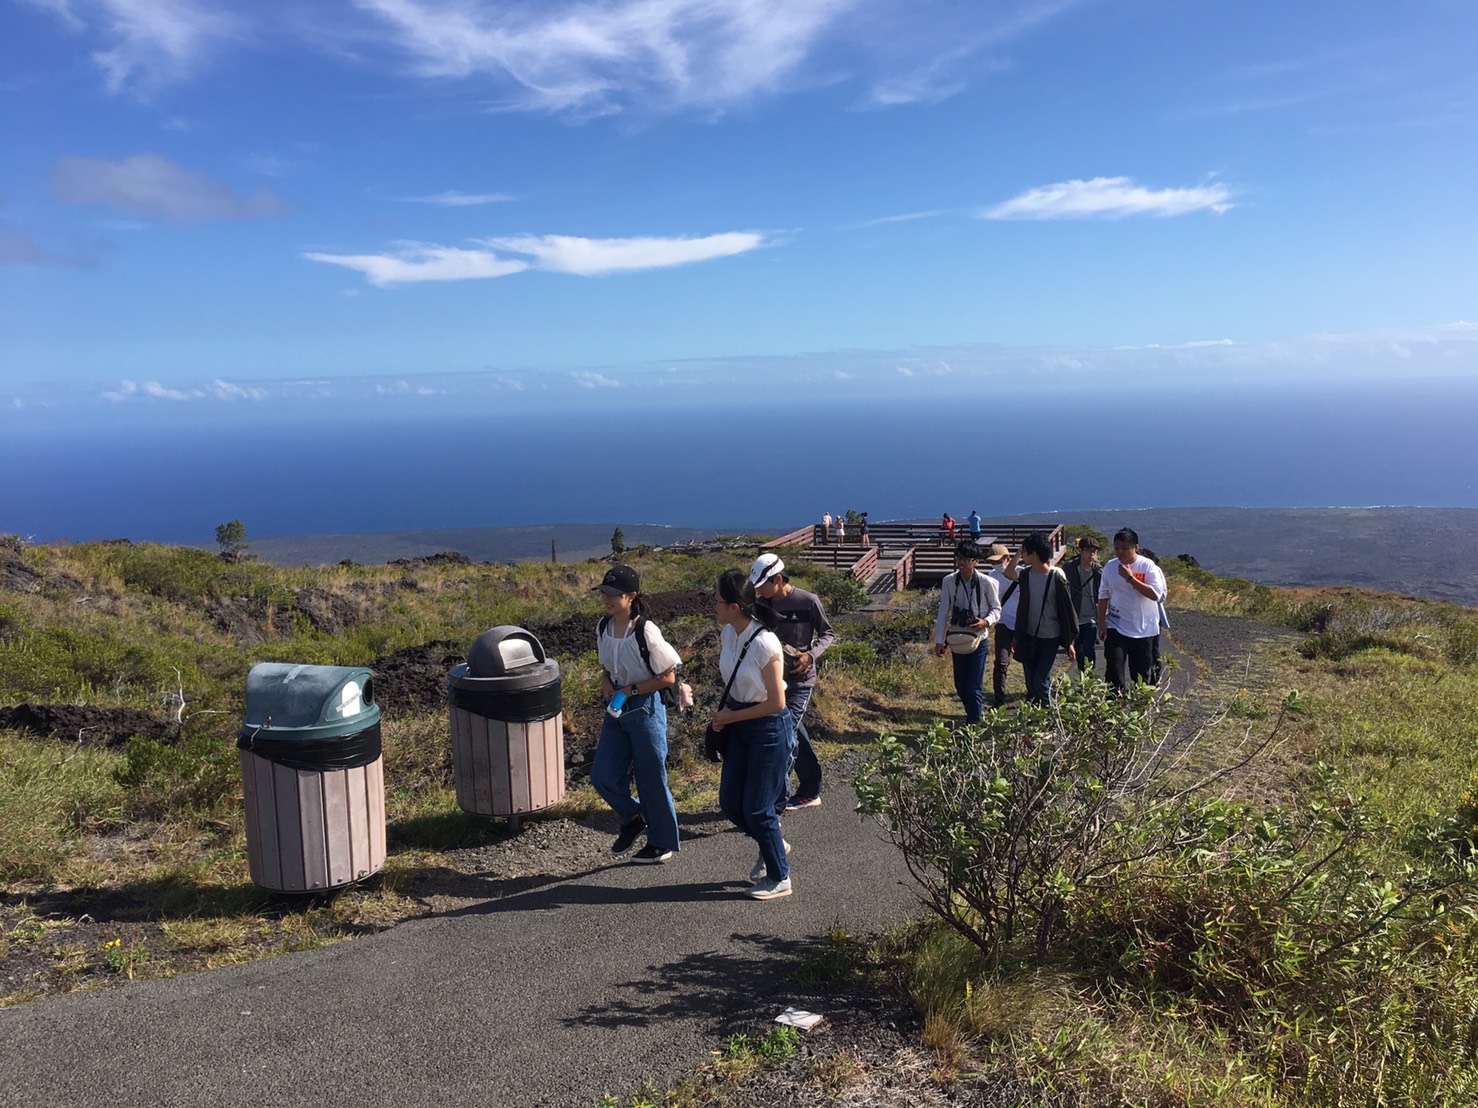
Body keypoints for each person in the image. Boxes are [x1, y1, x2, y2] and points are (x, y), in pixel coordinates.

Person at [590, 565, 683, 864]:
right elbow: (606, 666)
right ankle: (633, 816)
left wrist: (630, 690)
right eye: (604, 592)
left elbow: (668, 676)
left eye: (614, 594)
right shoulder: (603, 626)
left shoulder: (645, 630)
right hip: (618, 707)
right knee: (602, 776)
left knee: (651, 779)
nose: (607, 598)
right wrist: (607, 682)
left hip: (645, 708)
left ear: (631, 596)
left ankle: (661, 843)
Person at [710, 569, 794, 900]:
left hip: (769, 728)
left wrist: (732, 716)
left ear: (734, 606)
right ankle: (773, 841)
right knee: (731, 803)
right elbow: (736, 683)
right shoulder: (728, 633)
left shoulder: (764, 642)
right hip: (741, 724)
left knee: (758, 809)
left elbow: (776, 702)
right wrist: (725, 715)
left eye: (717, 601)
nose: (713, 606)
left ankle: (779, 877)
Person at [750, 553, 835, 811]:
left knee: (785, 734)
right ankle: (810, 790)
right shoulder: (760, 605)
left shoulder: (808, 601)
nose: (759, 591)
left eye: (762, 585)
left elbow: (827, 633)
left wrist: (810, 655)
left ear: (777, 579)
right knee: (794, 732)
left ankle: (776, 801)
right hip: (774, 682)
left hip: (800, 682)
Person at [932, 540, 1003, 724]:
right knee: (960, 685)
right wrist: (939, 640)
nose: (961, 562)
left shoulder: (987, 583)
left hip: (979, 639)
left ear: (976, 561)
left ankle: (974, 723)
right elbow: (943, 611)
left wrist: (985, 622)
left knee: (973, 685)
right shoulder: (949, 581)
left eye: (966, 559)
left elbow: (996, 609)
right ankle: (974, 715)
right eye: (959, 557)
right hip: (957, 639)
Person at [1097, 529, 1168, 693]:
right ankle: (1115, 704)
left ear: (1136, 547)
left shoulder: (1147, 566)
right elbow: (1103, 595)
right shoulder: (1110, 566)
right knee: (1114, 668)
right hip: (1116, 625)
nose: (1120, 552)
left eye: (1125, 548)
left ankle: (1140, 705)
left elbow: (1156, 595)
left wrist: (1130, 578)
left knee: (1141, 674)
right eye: (1117, 548)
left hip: (1143, 629)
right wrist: (1101, 623)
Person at [1011, 532, 1078, 706]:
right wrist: (1017, 636)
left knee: (1040, 682)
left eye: (1024, 552)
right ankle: (1042, 715)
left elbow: (1067, 612)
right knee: (1032, 682)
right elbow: (1008, 573)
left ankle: (1054, 714)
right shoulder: (1025, 575)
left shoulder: (1056, 578)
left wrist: (1069, 641)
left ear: (1033, 554)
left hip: (1050, 637)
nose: (1023, 556)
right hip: (1029, 635)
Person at [985, 542, 1020, 708]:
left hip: (1022, 625)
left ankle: (1033, 695)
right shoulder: (991, 576)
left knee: (1027, 660)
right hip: (1003, 623)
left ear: (1007, 558)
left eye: (998, 561)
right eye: (992, 561)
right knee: (1001, 662)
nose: (995, 564)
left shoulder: (1021, 573)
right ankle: (999, 698)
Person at [1063, 536, 1103, 673]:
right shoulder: (1069, 568)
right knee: (1079, 650)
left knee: (1089, 649)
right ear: (1080, 551)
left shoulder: (1099, 571)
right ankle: (1082, 677)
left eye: (1094, 551)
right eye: (1088, 550)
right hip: (1075, 616)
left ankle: (1089, 677)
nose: (1091, 554)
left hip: (1091, 617)